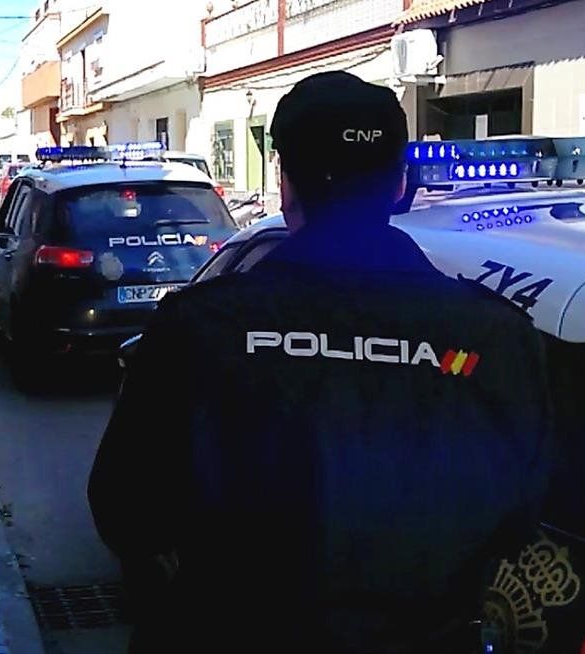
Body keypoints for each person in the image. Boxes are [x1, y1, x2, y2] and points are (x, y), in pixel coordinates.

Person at [88, 71, 552, 653]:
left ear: (286, 187)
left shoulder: (197, 329)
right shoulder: (499, 338)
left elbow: (127, 516)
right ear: (400, 188)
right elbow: (520, 521)